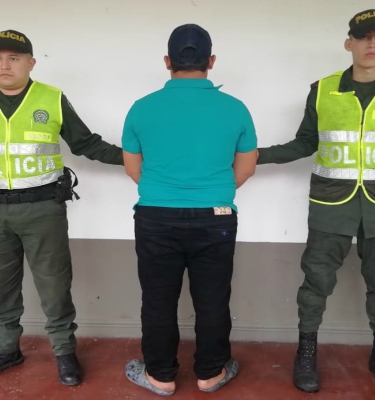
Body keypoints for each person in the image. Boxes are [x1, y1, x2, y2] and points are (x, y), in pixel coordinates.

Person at [257, 9, 375, 395]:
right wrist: (258, 156)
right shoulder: (323, 90)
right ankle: (306, 353)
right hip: (331, 203)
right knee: (316, 282)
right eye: (364, 36)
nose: (371, 44)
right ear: (348, 43)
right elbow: (306, 142)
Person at [0, 29, 123, 386]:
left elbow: (86, 143)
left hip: (42, 209)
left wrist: (134, 158)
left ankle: (64, 351)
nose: (4, 65)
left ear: (30, 63)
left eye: (13, 58)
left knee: (54, 283)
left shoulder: (52, 98)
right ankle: (6, 349)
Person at [121, 23, 258, 396]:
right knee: (213, 299)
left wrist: (166, 194)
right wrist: (211, 194)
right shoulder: (235, 109)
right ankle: (211, 374)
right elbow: (245, 168)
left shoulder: (141, 108)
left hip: (155, 216)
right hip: (216, 217)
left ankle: (160, 377)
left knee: (158, 299)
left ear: (167, 62)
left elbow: (133, 169)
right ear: (211, 61)